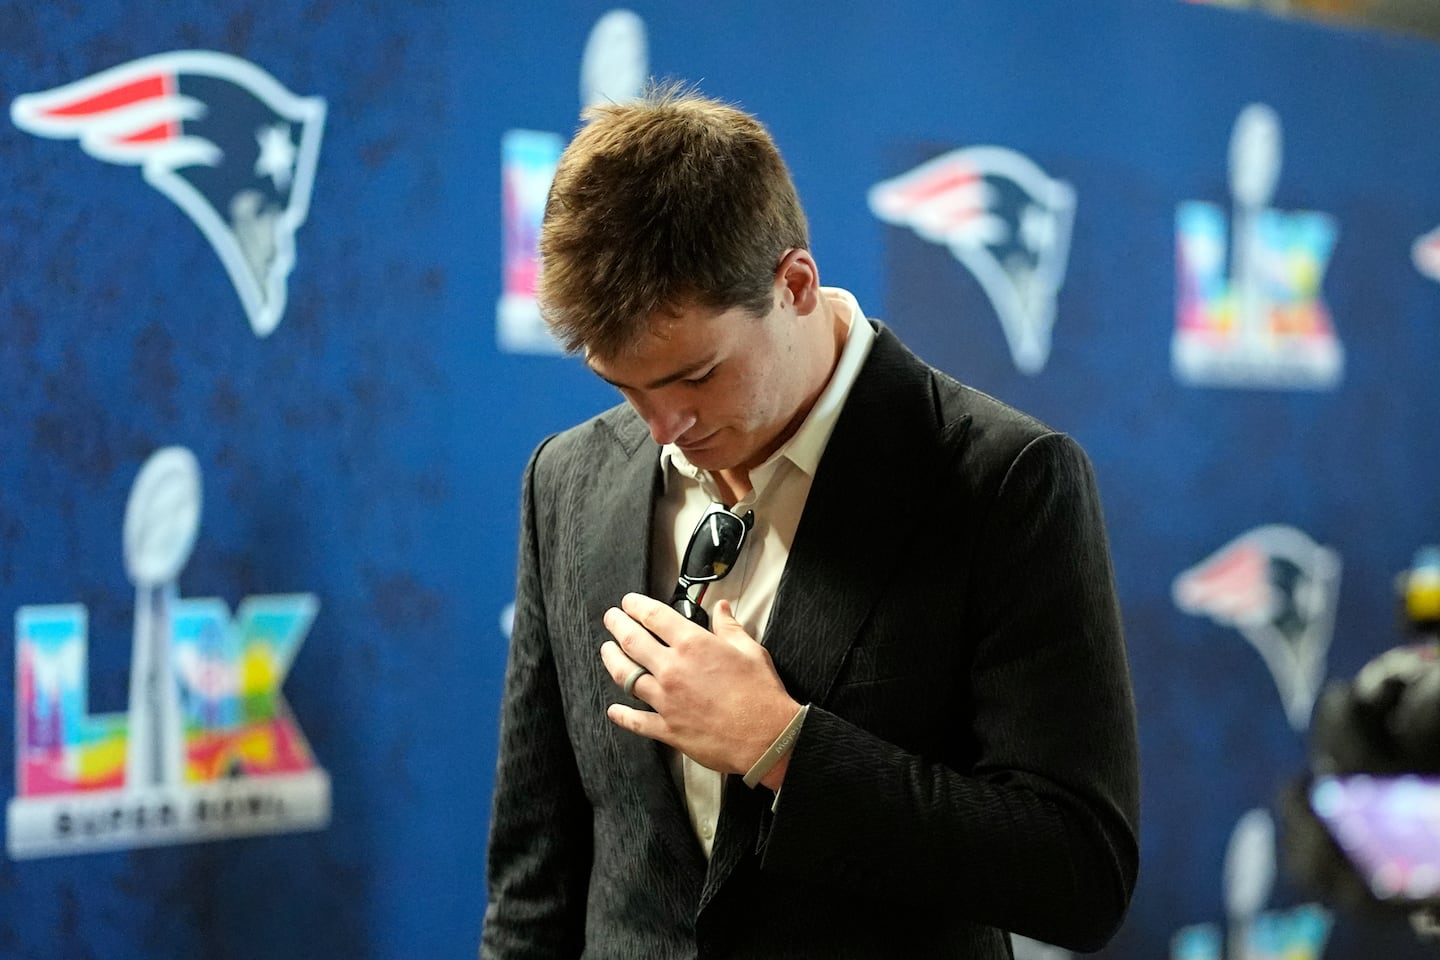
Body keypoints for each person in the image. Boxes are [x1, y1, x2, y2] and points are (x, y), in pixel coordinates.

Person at [481, 83, 1140, 959]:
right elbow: (536, 880)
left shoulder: (1002, 481)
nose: (662, 429)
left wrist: (782, 746)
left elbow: (1078, 873)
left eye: (695, 377)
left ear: (794, 284)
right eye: (623, 388)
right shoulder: (565, 480)